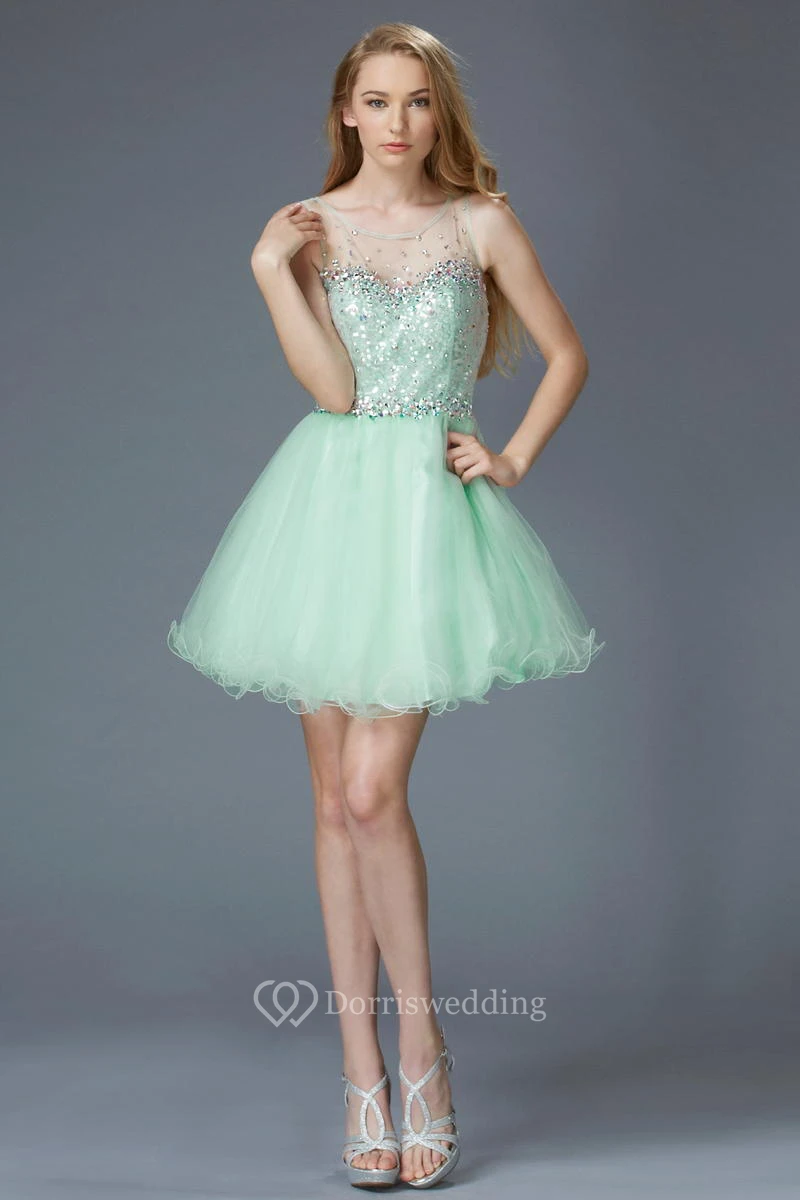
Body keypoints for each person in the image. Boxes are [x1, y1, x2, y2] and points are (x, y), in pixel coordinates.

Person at [167, 21, 605, 1190]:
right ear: (344, 113)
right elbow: (333, 391)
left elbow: (564, 354)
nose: (398, 122)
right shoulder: (309, 230)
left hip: (421, 516)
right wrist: (269, 269)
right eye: (376, 101)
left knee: (371, 793)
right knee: (330, 800)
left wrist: (508, 458)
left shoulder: (480, 223)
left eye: (417, 101)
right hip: (322, 511)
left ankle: (422, 1050)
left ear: (437, 113)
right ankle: (358, 1067)